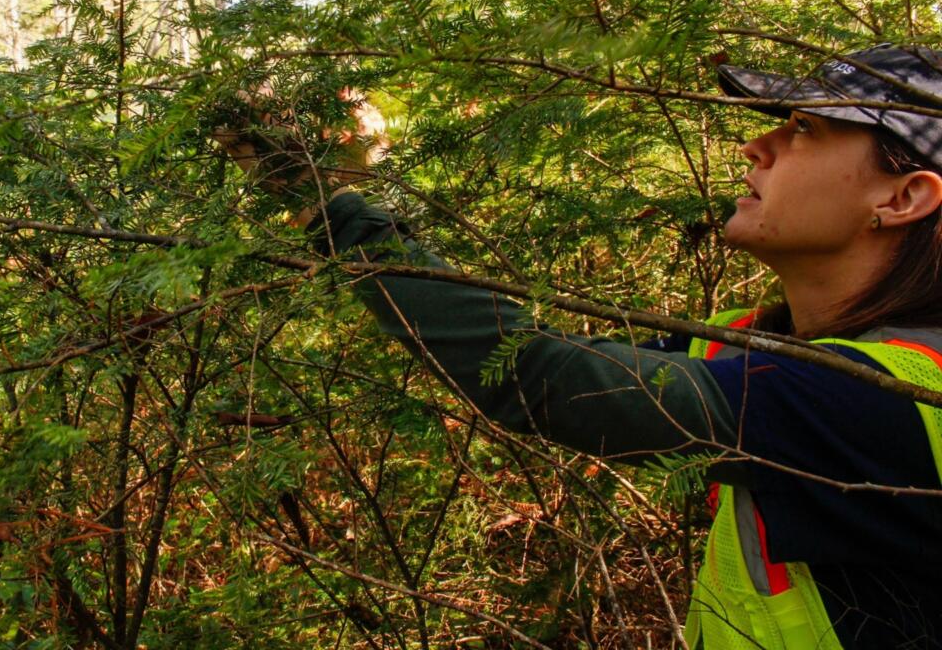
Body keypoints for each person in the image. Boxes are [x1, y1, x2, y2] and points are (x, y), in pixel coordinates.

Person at [219, 44, 942, 649]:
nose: (756, 146)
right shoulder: (760, 347)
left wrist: (335, 206)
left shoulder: (889, 396)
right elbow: (541, 343)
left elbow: (539, 374)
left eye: (806, 131)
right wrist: (329, 185)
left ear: (903, 197)